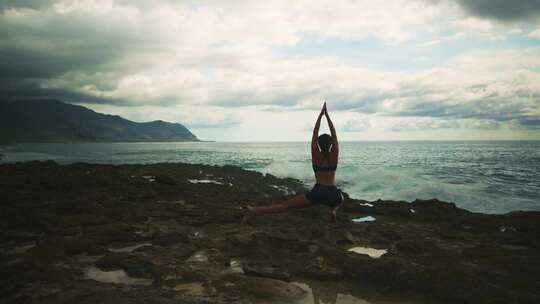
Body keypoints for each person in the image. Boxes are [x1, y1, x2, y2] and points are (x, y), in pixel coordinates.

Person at [247, 102, 344, 222]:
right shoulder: (334, 155)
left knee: (285, 206)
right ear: (331, 144)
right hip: (332, 193)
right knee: (340, 198)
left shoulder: (315, 155)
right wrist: (327, 116)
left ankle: (255, 210)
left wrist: (320, 115)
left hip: (318, 192)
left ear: (318, 143)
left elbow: (315, 132)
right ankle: (333, 210)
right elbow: (334, 133)